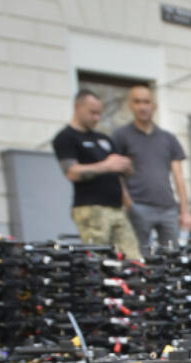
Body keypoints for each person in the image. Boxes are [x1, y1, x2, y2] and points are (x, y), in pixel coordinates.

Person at [51, 89, 141, 259]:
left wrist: (125, 180)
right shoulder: (66, 137)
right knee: (100, 260)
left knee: (133, 259)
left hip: (116, 208)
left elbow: (119, 173)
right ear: (78, 107)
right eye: (92, 113)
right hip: (91, 209)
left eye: (99, 113)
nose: (96, 118)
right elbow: (71, 172)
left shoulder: (103, 139)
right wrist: (106, 166)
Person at [111, 85, 191, 250]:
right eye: (137, 102)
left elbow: (179, 177)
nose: (142, 107)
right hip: (138, 207)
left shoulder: (168, 138)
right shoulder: (121, 136)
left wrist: (184, 211)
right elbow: (115, 173)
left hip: (168, 208)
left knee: (173, 256)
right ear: (130, 105)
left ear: (154, 106)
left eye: (146, 102)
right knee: (139, 257)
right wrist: (128, 203)